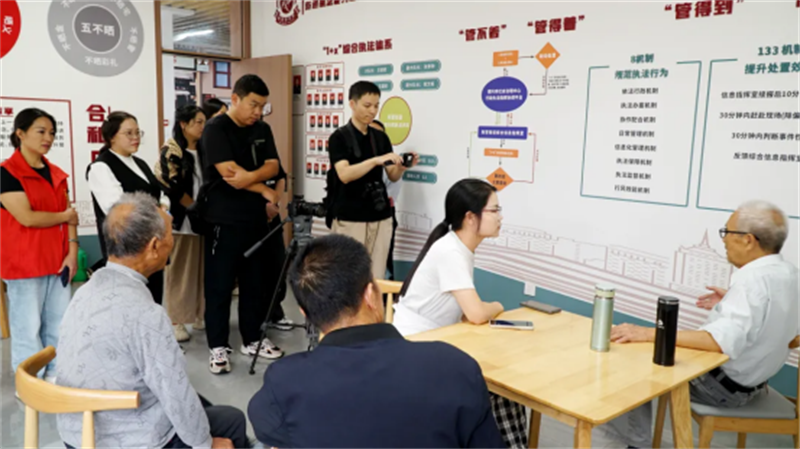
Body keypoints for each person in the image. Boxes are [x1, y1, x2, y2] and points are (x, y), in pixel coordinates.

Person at [248, 234, 506, 449]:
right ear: (371, 295)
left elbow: (264, 424)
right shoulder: (454, 366)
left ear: (305, 313)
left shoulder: (284, 380)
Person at [57, 193, 248, 449]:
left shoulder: (85, 292)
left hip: (76, 434)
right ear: (154, 246)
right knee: (231, 420)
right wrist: (206, 444)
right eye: (170, 234)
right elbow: (175, 394)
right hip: (128, 440)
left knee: (198, 404)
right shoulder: (146, 314)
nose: (172, 241)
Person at [607, 200, 799, 448]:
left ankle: (636, 445)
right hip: (754, 386)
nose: (724, 239)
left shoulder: (752, 282)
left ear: (748, 240)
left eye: (727, 232)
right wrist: (731, 300)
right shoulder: (789, 273)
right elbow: (785, 329)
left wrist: (647, 333)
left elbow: (718, 342)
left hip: (720, 389)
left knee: (628, 362)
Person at [392, 178, 529, 449]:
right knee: (499, 391)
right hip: (416, 349)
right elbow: (476, 313)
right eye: (494, 210)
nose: (500, 217)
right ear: (470, 217)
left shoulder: (458, 247)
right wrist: (498, 305)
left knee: (501, 388)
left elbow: (468, 312)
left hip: (432, 342)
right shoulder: (451, 251)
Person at [201, 74, 284, 374]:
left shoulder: (262, 128)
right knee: (220, 286)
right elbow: (228, 173)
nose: (258, 112)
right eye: (253, 105)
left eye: (262, 106)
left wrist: (250, 178)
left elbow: (273, 165)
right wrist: (263, 188)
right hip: (222, 220)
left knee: (255, 283)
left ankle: (252, 338)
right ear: (235, 99)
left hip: (256, 219)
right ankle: (218, 346)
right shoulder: (215, 129)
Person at [0, 108, 77, 380]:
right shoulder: (7, 174)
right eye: (41, 131)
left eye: (52, 133)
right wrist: (64, 216)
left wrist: (72, 252)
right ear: (20, 134)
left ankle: (55, 375)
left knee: (59, 323)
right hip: (24, 264)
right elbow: (27, 217)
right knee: (27, 328)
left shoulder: (57, 174)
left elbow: (71, 217)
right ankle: (29, 383)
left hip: (59, 261)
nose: (48, 138)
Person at [326, 80, 418, 280]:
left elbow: (392, 175)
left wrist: (401, 167)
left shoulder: (380, 138)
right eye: (367, 105)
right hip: (350, 217)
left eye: (376, 106)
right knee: (349, 277)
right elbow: (344, 174)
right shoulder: (339, 138)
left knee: (377, 277)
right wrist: (375, 160)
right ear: (352, 104)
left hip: (380, 217)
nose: (373, 111)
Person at [87, 111, 170, 304]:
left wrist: (163, 208)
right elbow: (118, 209)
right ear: (112, 137)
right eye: (129, 133)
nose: (135, 138)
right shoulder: (101, 167)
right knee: (129, 303)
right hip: (126, 251)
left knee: (152, 301)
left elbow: (161, 195)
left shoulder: (140, 163)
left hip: (152, 246)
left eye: (138, 132)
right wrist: (157, 213)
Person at [154, 105, 207, 342]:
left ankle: (199, 314)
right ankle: (176, 320)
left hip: (204, 218)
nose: (202, 127)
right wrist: (193, 207)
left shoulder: (205, 149)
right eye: (198, 122)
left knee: (201, 271)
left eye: (204, 122)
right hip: (183, 219)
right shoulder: (171, 151)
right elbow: (171, 186)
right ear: (184, 124)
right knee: (180, 272)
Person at [370, 119, 402, 280]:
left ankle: (386, 290)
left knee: (384, 259)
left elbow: (391, 192)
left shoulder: (390, 165)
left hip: (385, 214)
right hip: (360, 216)